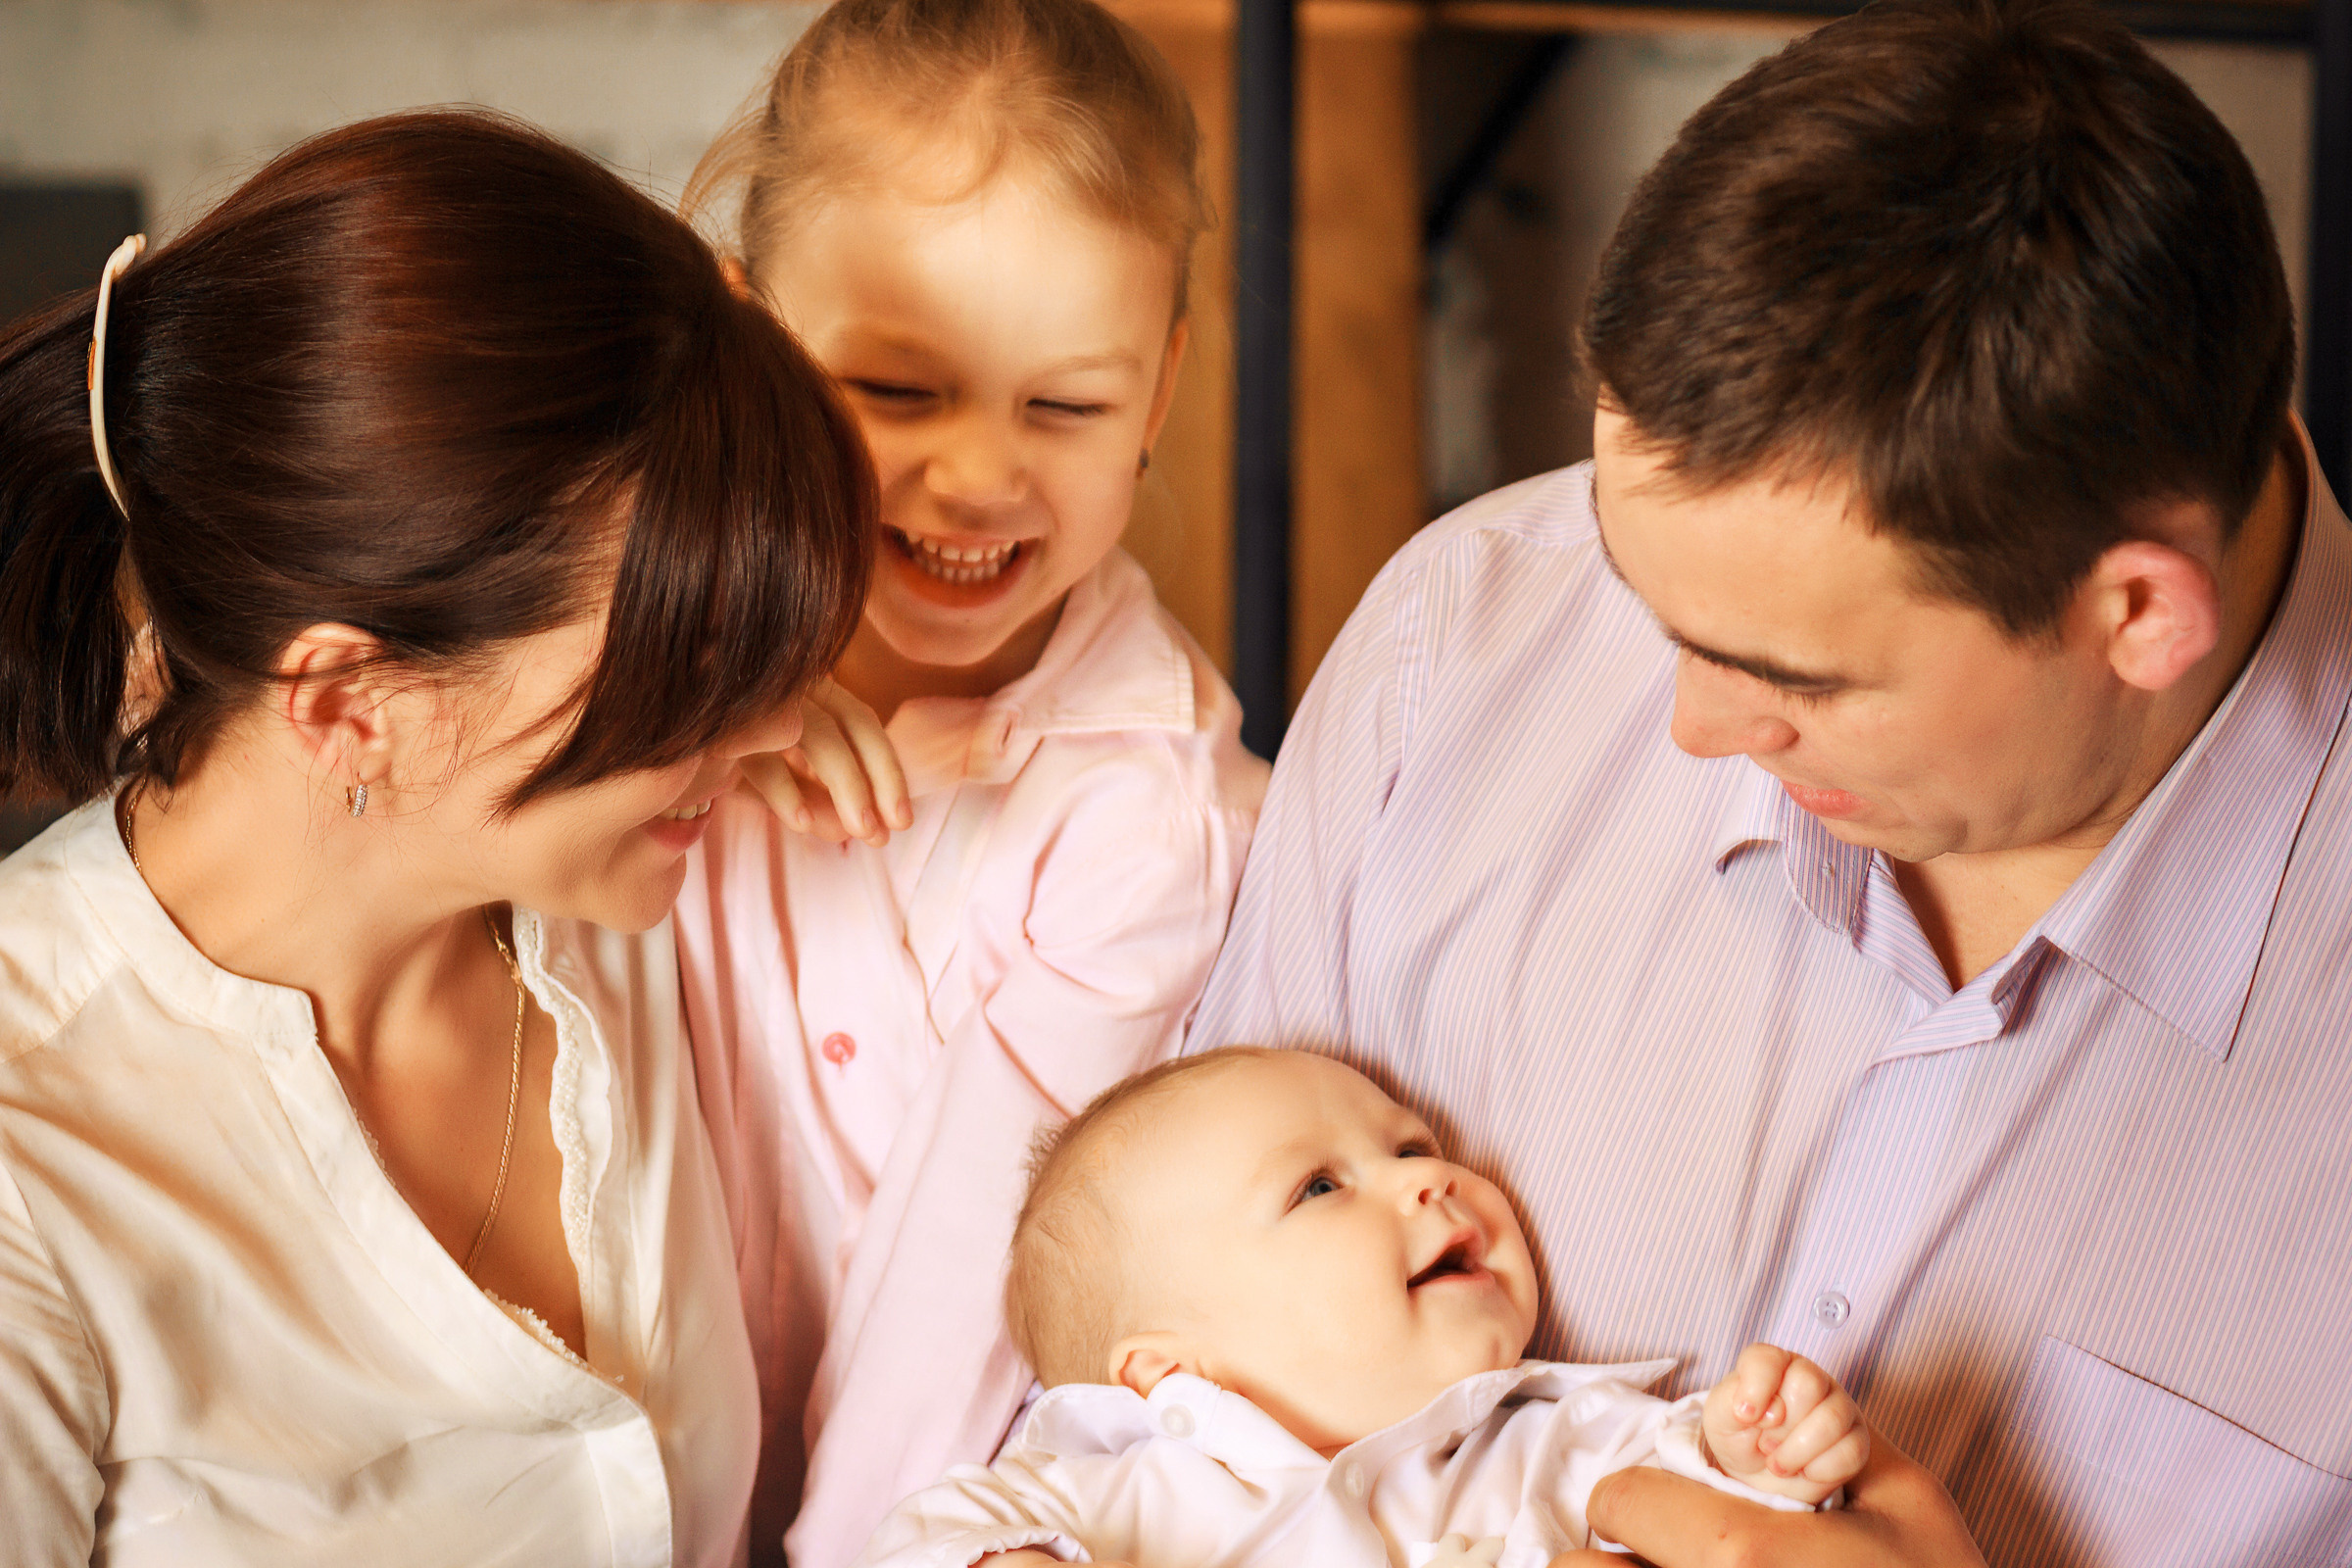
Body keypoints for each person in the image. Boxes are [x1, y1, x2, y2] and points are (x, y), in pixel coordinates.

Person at [1188, 2, 2352, 1564]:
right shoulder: (1464, 648)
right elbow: (1151, 1397)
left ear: (2136, 614)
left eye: (1796, 678)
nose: (1684, 731)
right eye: (1648, 604)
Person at [0, 110, 872, 1566]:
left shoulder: (629, 906)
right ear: (353, 703)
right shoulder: (40, 1165)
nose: (780, 728)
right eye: (692, 671)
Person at [671, 2, 1269, 1563]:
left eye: (1064, 405)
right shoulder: (641, 671)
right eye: (899, 392)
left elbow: (962, 1312)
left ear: (1159, 388)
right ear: (747, 338)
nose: (981, 478)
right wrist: (703, 718)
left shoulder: (1148, 825)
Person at [854, 1048, 1868, 1568]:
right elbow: (931, 1529)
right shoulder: (1150, 1492)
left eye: (1414, 1146)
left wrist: (1757, 1454)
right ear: (1171, 1375)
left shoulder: (1560, 1441)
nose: (1427, 1182)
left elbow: (1732, 1529)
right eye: (1321, 1187)